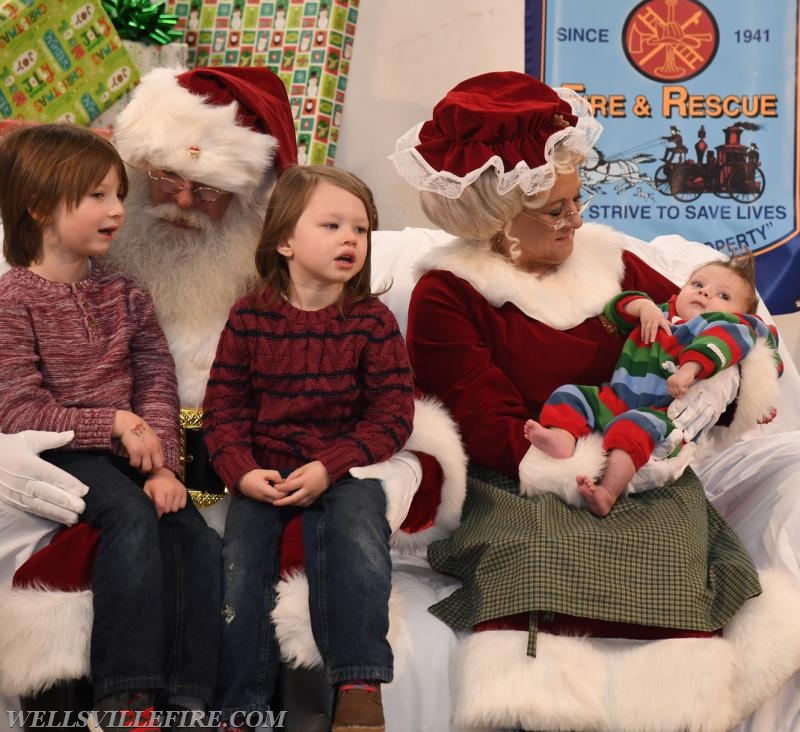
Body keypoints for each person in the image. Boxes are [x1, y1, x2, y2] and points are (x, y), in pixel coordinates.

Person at [391, 71, 800, 731]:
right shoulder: (450, 291)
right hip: (523, 477)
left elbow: (714, 318)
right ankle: (542, 712)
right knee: (538, 554)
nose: (576, 218)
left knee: (672, 545)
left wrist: (731, 373)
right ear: (498, 217)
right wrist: (576, 467)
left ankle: (677, 710)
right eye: (555, 209)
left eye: (577, 200)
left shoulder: (608, 259)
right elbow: (484, 417)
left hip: (641, 463)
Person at [0, 124, 221, 724]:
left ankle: (194, 699)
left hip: (131, 452)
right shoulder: (13, 299)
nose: (117, 210)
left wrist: (166, 466)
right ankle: (126, 696)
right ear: (40, 206)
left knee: (197, 540)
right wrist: (115, 423)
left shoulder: (126, 293)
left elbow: (155, 377)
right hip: (58, 455)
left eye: (118, 194)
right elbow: (18, 411)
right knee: (128, 517)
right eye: (96, 196)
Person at [203, 164, 413, 731]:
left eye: (362, 230)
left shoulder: (372, 323)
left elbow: (393, 416)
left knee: (360, 540)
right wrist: (242, 473)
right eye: (333, 225)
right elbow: (223, 414)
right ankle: (240, 706)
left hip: (341, 471)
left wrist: (332, 464)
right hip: (264, 474)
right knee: (240, 569)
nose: (351, 239)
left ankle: (359, 684)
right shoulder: (249, 319)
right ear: (285, 241)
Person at [524, 253, 782, 516]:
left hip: (660, 412)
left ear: (742, 314)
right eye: (697, 284)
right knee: (571, 394)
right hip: (616, 397)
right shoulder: (660, 312)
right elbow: (616, 309)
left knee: (632, 429)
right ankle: (562, 439)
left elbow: (718, 346)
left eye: (723, 296)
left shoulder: (728, 326)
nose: (705, 294)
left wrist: (689, 370)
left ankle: (608, 492)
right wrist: (642, 307)